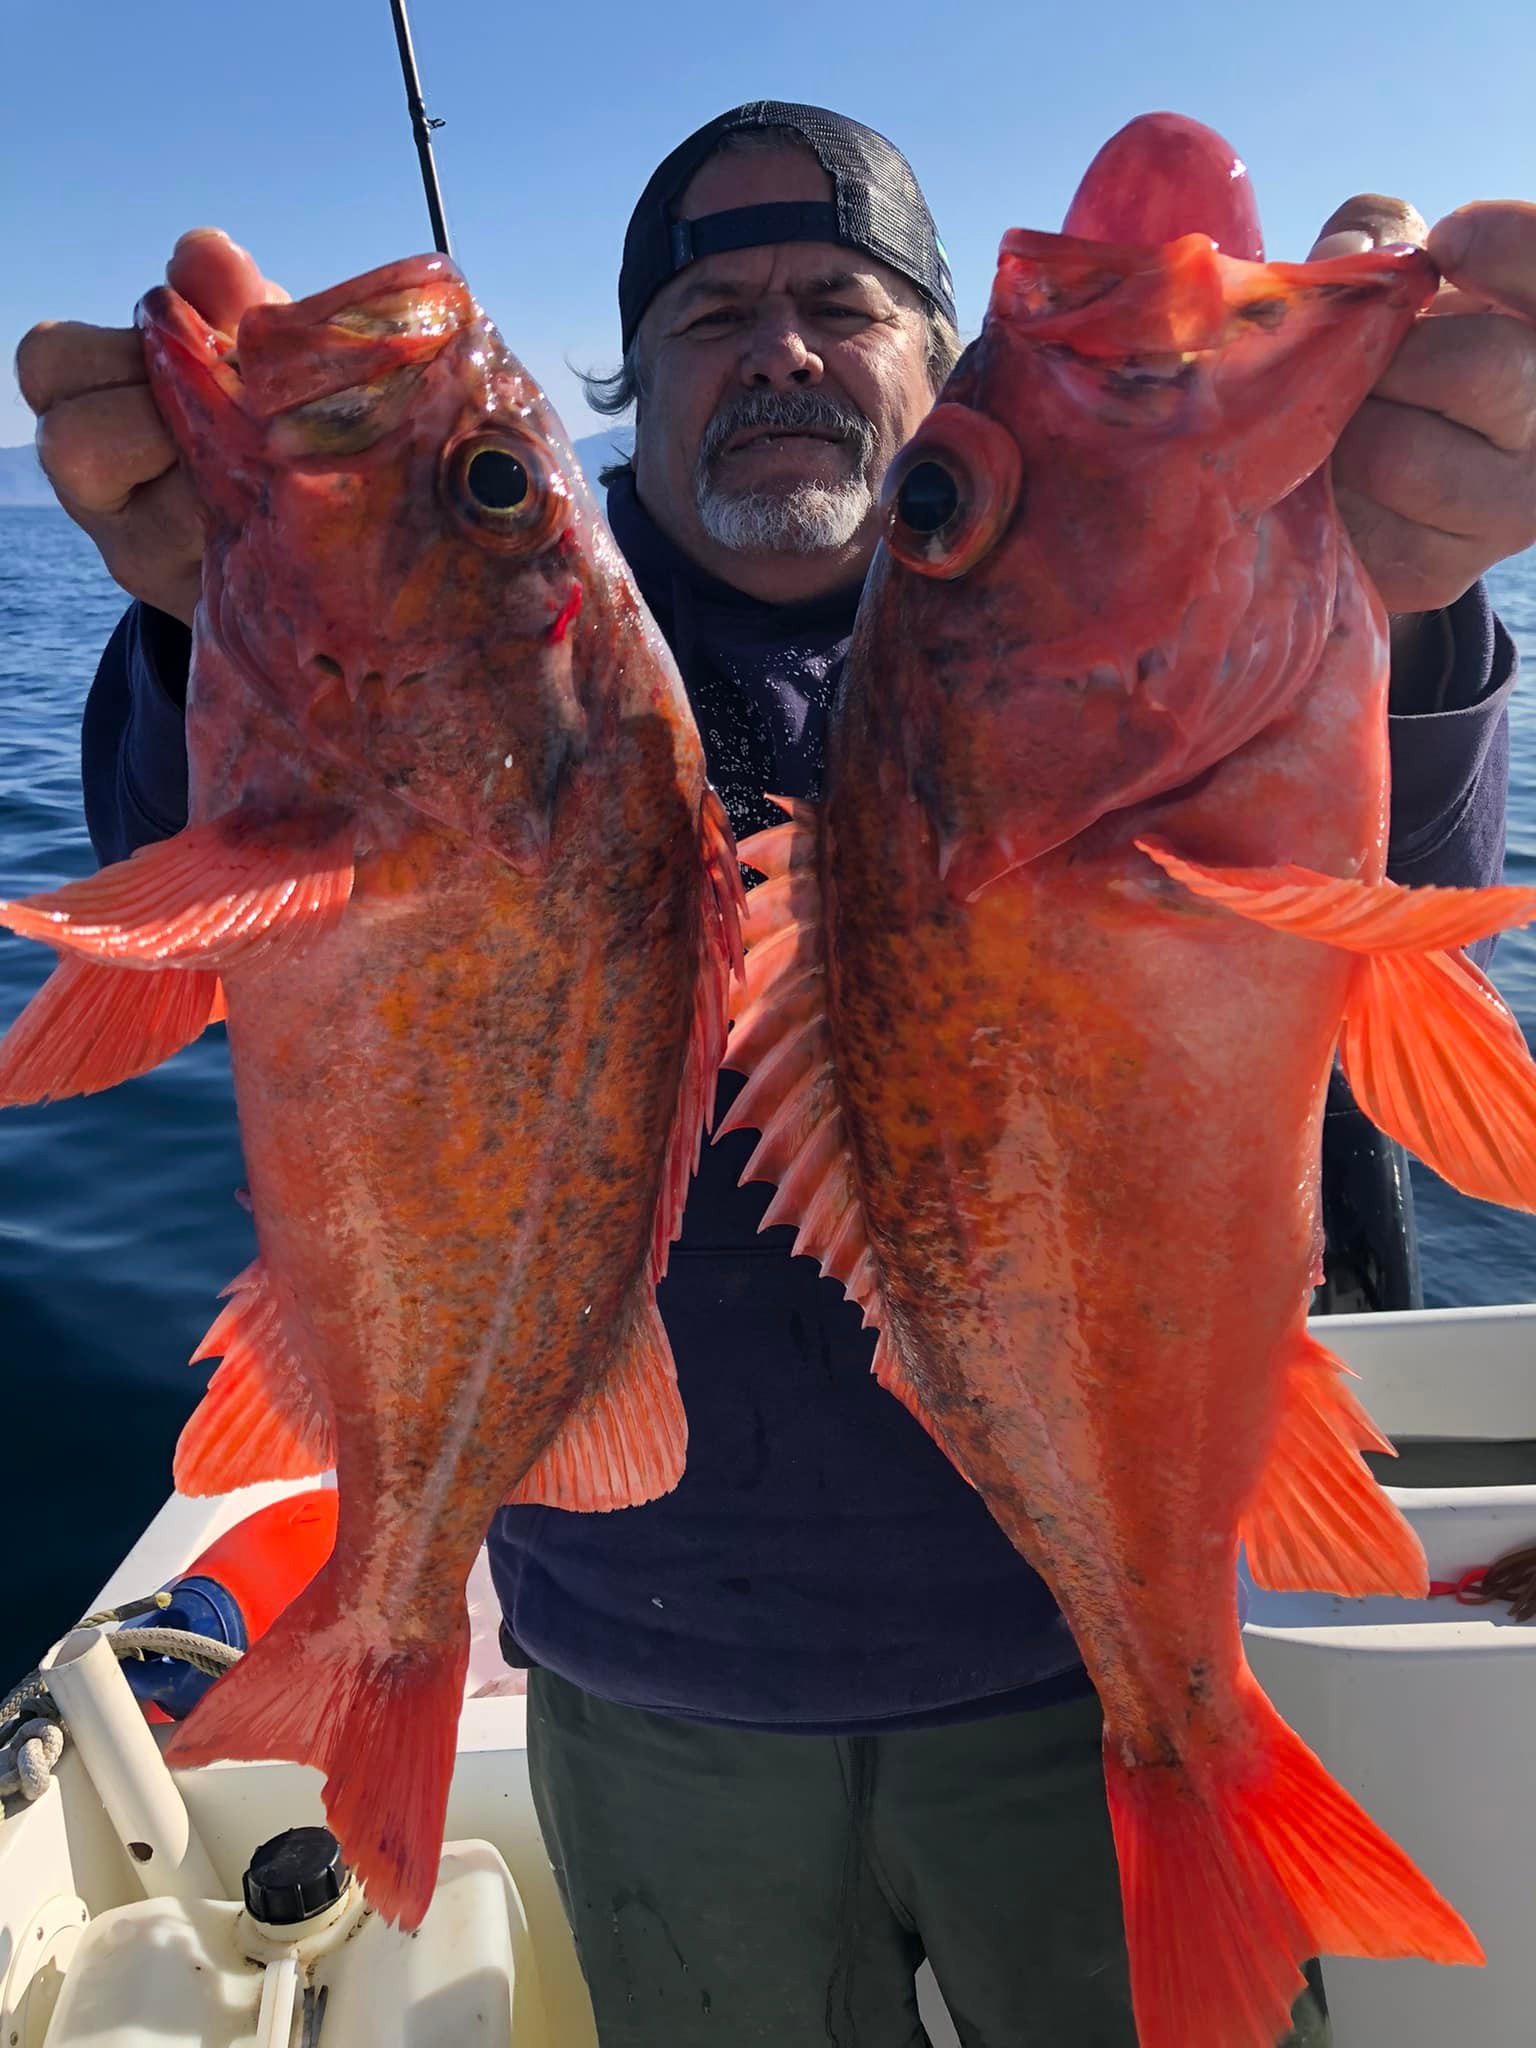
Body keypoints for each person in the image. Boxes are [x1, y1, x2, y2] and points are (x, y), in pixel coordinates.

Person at [19, 101, 1536, 2047]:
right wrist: (205, 616)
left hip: (1064, 1670)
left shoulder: (1156, 609)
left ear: (920, 358)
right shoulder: (546, 651)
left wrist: (1398, 602)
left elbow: (1355, 914)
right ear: (632, 380)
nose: (782, 349)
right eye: (713, 313)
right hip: (651, 1709)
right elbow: (270, 915)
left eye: (839, 298)